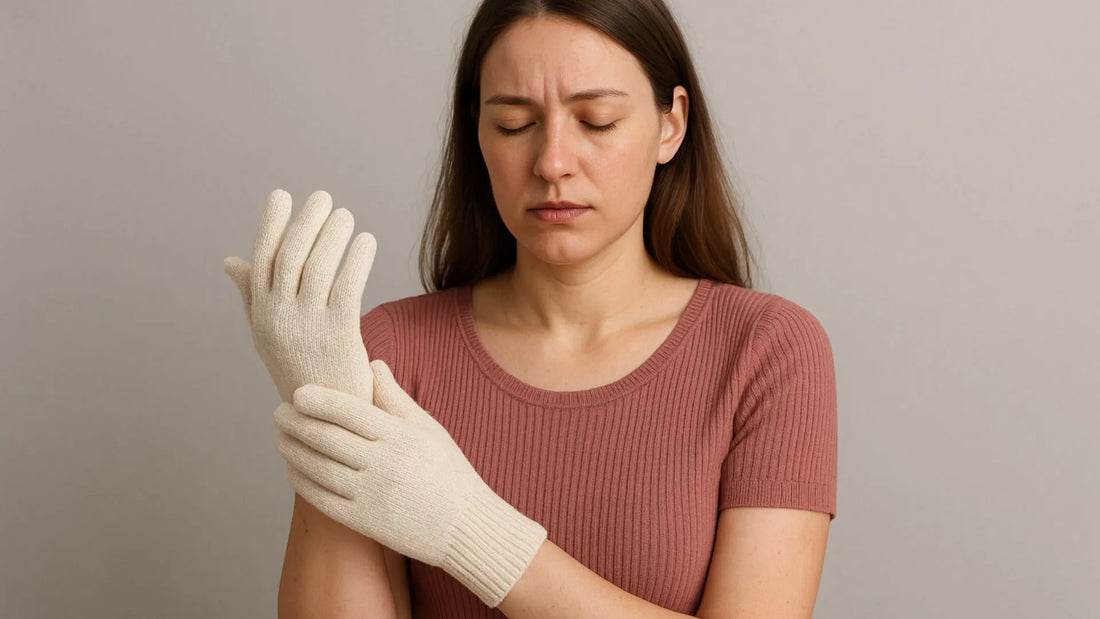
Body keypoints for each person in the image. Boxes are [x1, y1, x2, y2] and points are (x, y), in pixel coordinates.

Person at [225, 1, 837, 617]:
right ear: (478, 134)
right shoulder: (389, 355)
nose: (551, 163)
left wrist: (468, 528)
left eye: (596, 121)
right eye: (515, 124)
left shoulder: (766, 351)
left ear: (671, 125)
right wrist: (325, 394)